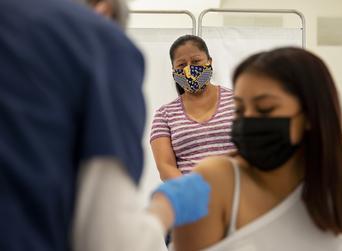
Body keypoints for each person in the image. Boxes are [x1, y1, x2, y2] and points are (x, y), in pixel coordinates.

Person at [0, 0, 210, 250]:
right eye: (181, 65)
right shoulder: (101, 44)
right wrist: (168, 205)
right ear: (104, 10)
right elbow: (110, 241)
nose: (189, 72)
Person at [171, 47, 342, 251]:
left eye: (265, 109)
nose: (248, 119)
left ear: (310, 116)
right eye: (240, 110)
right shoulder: (211, 185)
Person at [150, 35, 236, 181]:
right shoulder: (164, 115)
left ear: (209, 61)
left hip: (237, 196)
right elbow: (165, 167)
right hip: (190, 199)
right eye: (181, 65)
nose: (189, 69)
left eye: (196, 61)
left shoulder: (237, 102)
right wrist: (193, 194)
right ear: (173, 70)